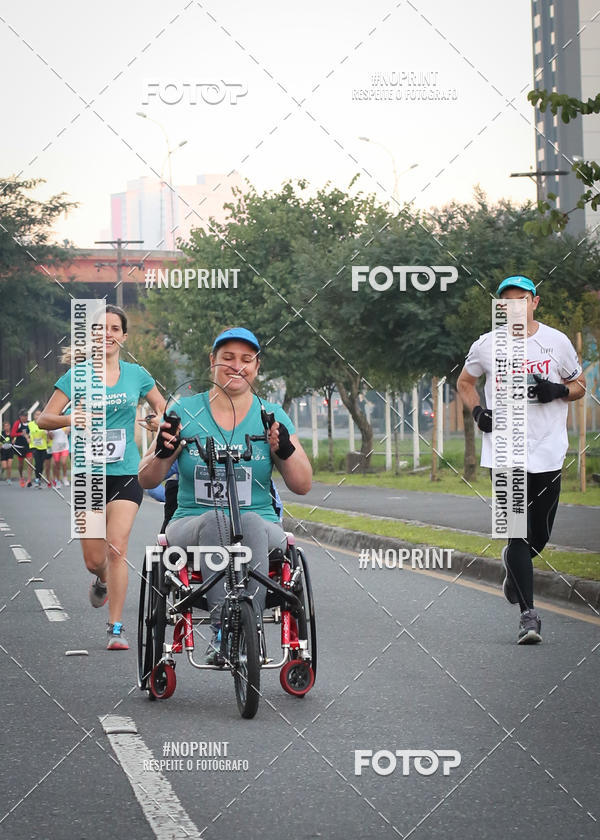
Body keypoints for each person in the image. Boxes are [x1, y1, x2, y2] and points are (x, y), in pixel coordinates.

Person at [138, 326, 312, 663]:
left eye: (246, 360)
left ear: (257, 367)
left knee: (245, 519)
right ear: (212, 361)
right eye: (228, 358)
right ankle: (224, 631)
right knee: (220, 517)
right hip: (190, 522)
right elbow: (147, 479)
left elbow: (303, 485)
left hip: (260, 525)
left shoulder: (271, 416)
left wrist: (286, 450)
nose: (237, 366)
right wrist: (161, 450)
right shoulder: (185, 411)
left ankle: (249, 632)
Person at [457, 275, 585, 644]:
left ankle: (516, 570)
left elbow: (580, 386)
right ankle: (528, 616)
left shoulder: (556, 342)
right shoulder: (486, 345)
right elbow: (465, 383)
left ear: (534, 303)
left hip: (548, 449)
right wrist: (478, 412)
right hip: (505, 451)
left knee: (539, 534)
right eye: (506, 301)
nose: (514, 306)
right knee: (516, 531)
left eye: (521, 299)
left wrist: (557, 390)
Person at [38, 304, 166, 650]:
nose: (106, 334)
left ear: (123, 336)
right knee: (95, 559)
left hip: (126, 471)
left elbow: (165, 409)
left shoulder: (137, 375)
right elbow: (43, 419)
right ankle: (102, 580)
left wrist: (157, 422)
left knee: (117, 547)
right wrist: (71, 419)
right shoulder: (76, 376)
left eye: (113, 328)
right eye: (100, 329)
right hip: (87, 474)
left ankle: (116, 627)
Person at [27, 410, 50, 488]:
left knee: (41, 464)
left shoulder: (45, 424)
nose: (38, 416)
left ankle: (39, 479)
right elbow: (25, 432)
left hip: (43, 446)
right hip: (34, 446)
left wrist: (47, 433)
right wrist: (27, 438)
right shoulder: (30, 424)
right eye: (37, 415)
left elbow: (48, 432)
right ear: (34, 416)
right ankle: (37, 479)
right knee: (37, 463)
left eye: (40, 415)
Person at [10, 410, 31, 487]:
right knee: (21, 464)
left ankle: (29, 480)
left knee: (30, 462)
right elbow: (12, 434)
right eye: (24, 416)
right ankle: (21, 477)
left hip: (28, 446)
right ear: (20, 416)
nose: (25, 417)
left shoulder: (29, 423)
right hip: (19, 447)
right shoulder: (17, 423)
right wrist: (21, 434)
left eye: (26, 416)